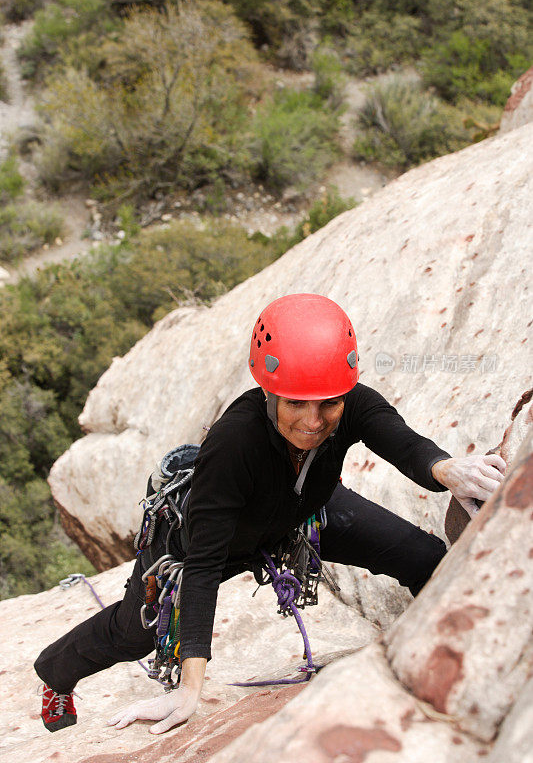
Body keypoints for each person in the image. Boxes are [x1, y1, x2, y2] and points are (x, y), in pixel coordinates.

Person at [35, 293, 506, 733]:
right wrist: (190, 690)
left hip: (299, 516)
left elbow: (400, 440)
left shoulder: (352, 402)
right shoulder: (234, 442)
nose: (313, 421)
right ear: (269, 390)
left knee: (422, 555)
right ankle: (55, 675)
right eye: (296, 403)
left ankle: (449, 661)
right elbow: (201, 567)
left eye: (329, 403)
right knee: (132, 632)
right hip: (201, 542)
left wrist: (449, 470)